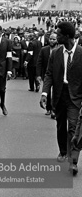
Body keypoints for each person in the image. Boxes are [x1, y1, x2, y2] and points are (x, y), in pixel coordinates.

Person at [40, 21, 82, 176]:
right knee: (60, 125)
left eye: (58, 34)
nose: (56, 36)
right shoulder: (56, 53)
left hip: (75, 96)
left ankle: (73, 161)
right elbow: (49, 74)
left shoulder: (81, 53)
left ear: (67, 36)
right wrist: (44, 93)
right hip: (59, 94)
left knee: (73, 126)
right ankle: (63, 151)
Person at [36, 33, 58, 118]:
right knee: (47, 91)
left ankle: (54, 109)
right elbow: (39, 62)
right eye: (50, 39)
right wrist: (38, 75)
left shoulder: (60, 49)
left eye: (54, 39)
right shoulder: (44, 50)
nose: (51, 41)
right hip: (47, 74)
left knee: (56, 92)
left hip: (57, 75)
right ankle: (48, 108)